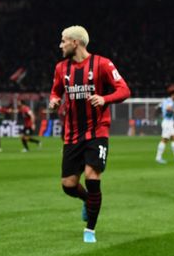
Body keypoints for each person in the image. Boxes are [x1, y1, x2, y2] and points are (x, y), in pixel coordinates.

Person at [48, 25, 131, 243]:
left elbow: (124, 90)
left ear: (75, 42)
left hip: (97, 131)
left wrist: (105, 99)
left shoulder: (102, 64)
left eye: (63, 40)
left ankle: (90, 229)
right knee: (68, 185)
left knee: (92, 176)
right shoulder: (60, 68)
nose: (60, 45)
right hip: (72, 134)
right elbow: (56, 90)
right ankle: (88, 201)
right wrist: (54, 101)